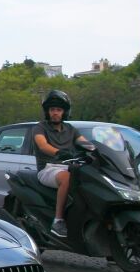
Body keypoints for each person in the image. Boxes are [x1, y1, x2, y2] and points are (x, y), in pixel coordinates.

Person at [31, 90, 93, 240]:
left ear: (64, 112)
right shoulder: (40, 128)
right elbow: (43, 145)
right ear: (48, 112)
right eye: (52, 110)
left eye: (58, 110)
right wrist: (59, 152)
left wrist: (97, 150)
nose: (55, 113)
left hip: (70, 166)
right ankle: (58, 220)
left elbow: (85, 143)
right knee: (67, 178)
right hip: (48, 168)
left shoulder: (71, 130)